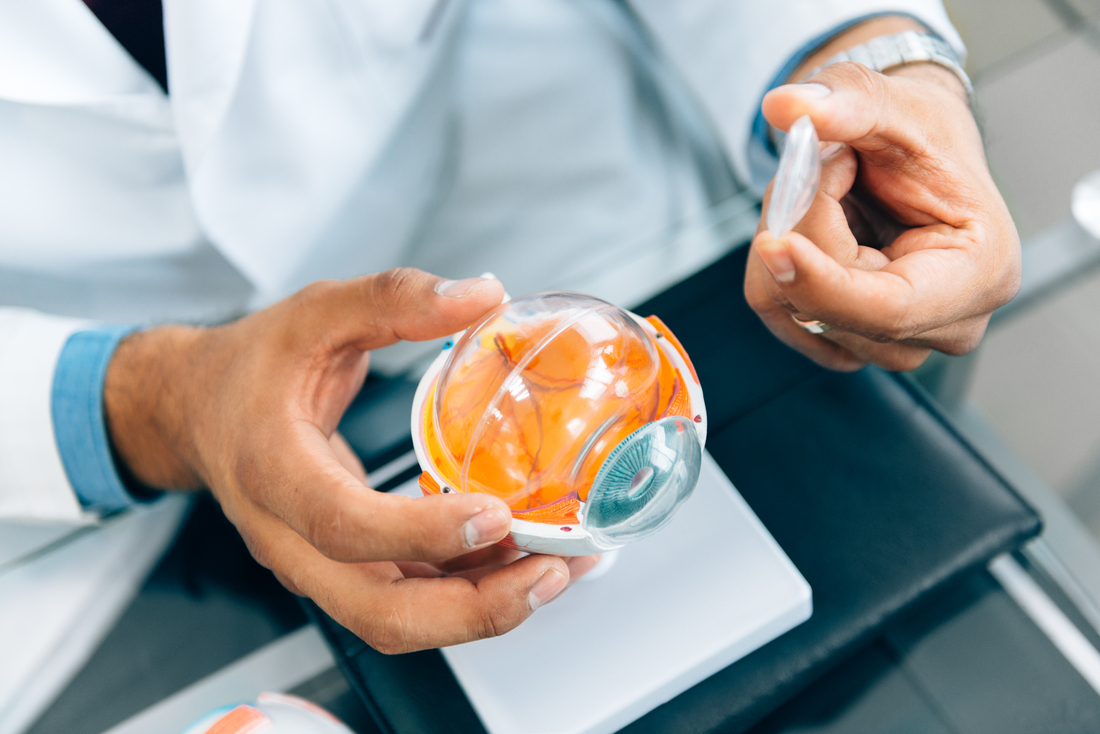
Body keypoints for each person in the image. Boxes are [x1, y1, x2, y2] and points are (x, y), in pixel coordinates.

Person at [0, 0, 1019, 656]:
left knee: (874, 570)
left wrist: (869, 59)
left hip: (566, 183)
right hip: (119, 369)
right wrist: (146, 399)